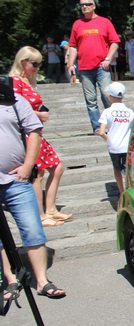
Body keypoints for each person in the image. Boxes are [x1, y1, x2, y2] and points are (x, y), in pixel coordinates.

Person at [0, 75, 66, 298]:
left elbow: (35, 132)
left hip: (15, 180)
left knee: (32, 228)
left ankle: (42, 281)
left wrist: (28, 166)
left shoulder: (15, 101)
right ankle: (10, 280)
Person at [10, 47, 71, 227]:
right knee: (37, 174)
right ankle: (41, 215)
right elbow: (15, 109)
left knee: (57, 167)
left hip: (36, 132)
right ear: (23, 62)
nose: (37, 67)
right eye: (34, 63)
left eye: (39, 64)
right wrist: (39, 115)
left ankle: (50, 209)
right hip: (28, 134)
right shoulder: (15, 81)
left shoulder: (26, 81)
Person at [67, 0, 120, 134]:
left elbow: (115, 42)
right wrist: (70, 64)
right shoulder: (77, 24)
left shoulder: (104, 22)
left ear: (94, 6)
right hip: (84, 68)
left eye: (88, 4)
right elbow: (73, 45)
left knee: (106, 95)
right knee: (90, 100)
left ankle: (114, 124)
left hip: (101, 66)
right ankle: (97, 127)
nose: (84, 7)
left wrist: (108, 58)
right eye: (82, 5)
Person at [97, 82, 133, 195]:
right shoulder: (130, 112)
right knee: (129, 169)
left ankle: (122, 192)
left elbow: (101, 132)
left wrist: (109, 140)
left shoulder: (107, 112)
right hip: (127, 145)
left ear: (110, 96)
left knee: (117, 169)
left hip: (114, 146)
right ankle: (131, 189)